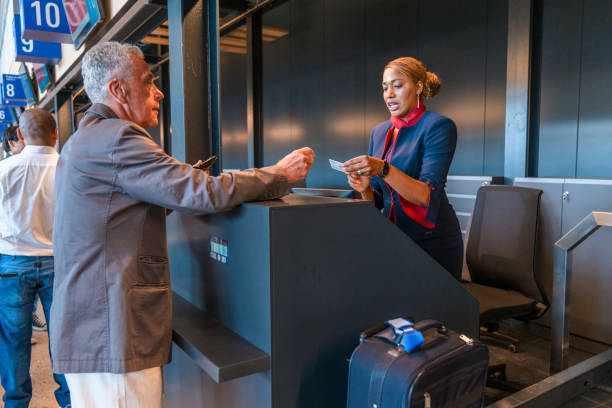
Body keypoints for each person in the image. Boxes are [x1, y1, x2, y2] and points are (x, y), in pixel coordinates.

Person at [50, 41, 314, 408]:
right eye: (147, 82)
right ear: (117, 90)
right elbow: (203, 193)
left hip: (95, 326)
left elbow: (117, 214)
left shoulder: (87, 139)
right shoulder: (117, 138)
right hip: (112, 332)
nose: (158, 91)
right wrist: (279, 174)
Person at [343, 57, 463, 280]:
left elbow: (425, 196)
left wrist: (383, 169)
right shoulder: (379, 132)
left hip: (432, 242)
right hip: (393, 239)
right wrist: (365, 189)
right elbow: (377, 201)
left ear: (418, 87)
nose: (389, 94)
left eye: (397, 86)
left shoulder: (437, 126)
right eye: (385, 87)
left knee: (433, 313)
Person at [0, 109, 71, 408]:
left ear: (20, 135)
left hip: (12, 263)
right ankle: (70, 400)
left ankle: (16, 403)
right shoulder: (69, 168)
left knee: (14, 342)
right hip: (61, 263)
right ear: (55, 133)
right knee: (64, 338)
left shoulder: (4, 170)